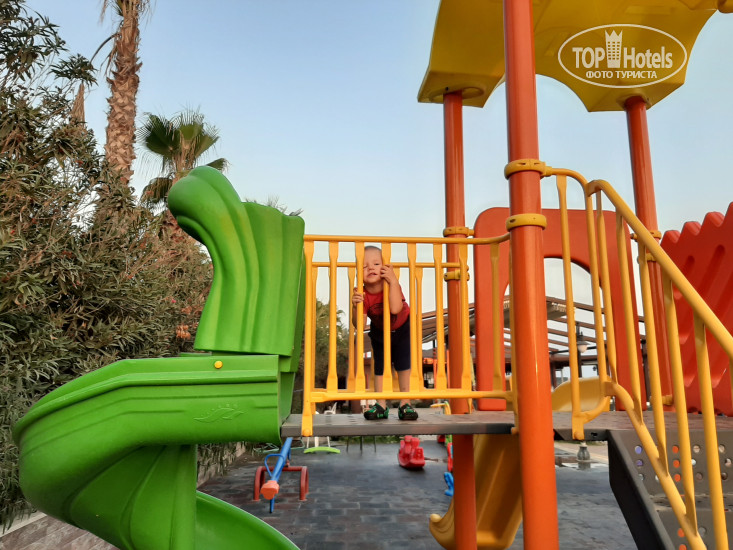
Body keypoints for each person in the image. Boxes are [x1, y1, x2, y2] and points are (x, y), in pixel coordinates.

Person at [351, 245, 418, 421]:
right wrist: (355, 306)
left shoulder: (391, 284)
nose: (370, 268)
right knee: (379, 366)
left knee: (403, 364)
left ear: (385, 267)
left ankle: (405, 404)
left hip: (402, 327)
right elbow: (360, 325)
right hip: (379, 330)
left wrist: (393, 281)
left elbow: (395, 308)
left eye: (376, 264)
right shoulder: (361, 293)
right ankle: (381, 404)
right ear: (358, 272)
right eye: (364, 266)